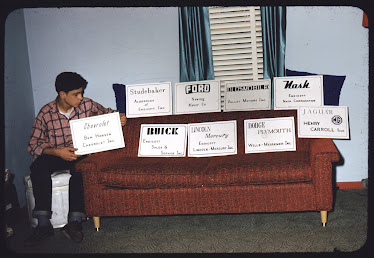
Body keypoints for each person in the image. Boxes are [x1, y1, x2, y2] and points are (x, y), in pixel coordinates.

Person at [24, 72, 127, 247]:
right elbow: (33, 145)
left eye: (81, 93)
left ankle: (74, 222)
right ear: (62, 94)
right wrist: (57, 152)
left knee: (82, 171)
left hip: (81, 154)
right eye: (76, 94)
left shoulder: (87, 105)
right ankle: (43, 224)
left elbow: (108, 114)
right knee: (38, 166)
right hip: (57, 155)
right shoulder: (46, 113)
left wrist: (119, 117)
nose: (81, 97)